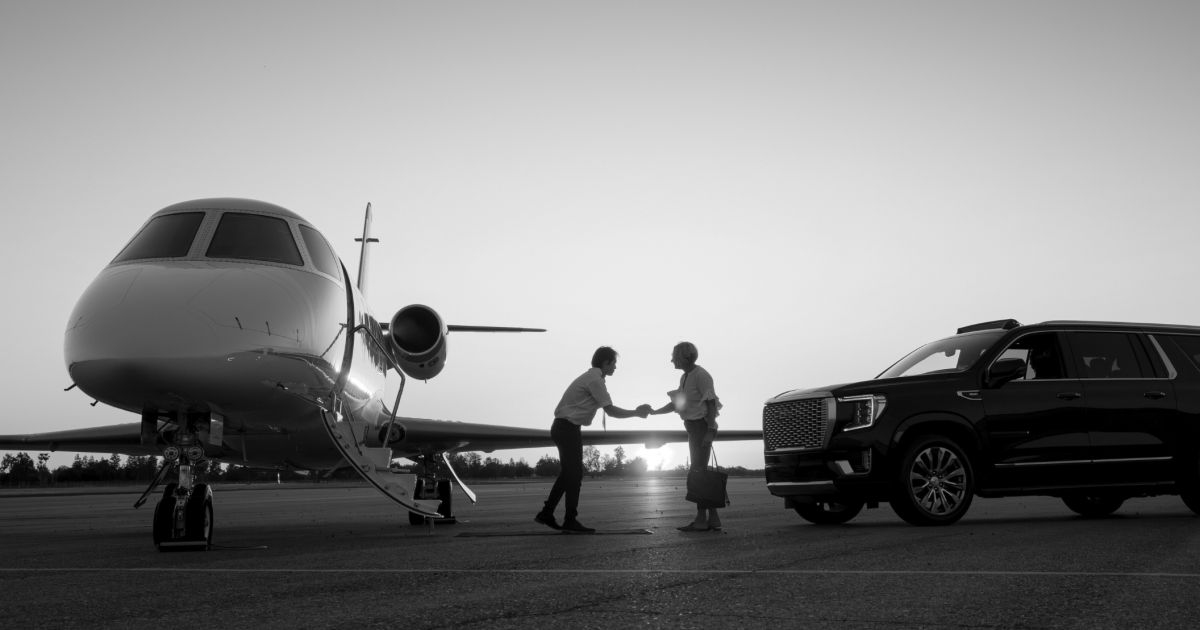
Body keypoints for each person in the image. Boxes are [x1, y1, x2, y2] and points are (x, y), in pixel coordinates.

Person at [536, 347, 651, 532]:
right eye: (614, 363)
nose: (615, 367)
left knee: (570, 474)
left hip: (564, 428)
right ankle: (568, 520)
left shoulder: (591, 378)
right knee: (574, 475)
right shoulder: (595, 381)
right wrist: (637, 413)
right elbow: (611, 411)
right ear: (605, 362)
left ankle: (548, 513)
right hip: (567, 428)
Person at [649, 341, 724, 531]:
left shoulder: (701, 375)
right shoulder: (685, 377)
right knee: (702, 472)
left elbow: (711, 404)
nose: (671, 359)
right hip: (694, 427)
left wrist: (709, 431)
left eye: (673, 355)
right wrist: (654, 412)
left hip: (701, 427)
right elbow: (678, 404)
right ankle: (713, 518)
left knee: (697, 473)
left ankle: (700, 520)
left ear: (683, 356)